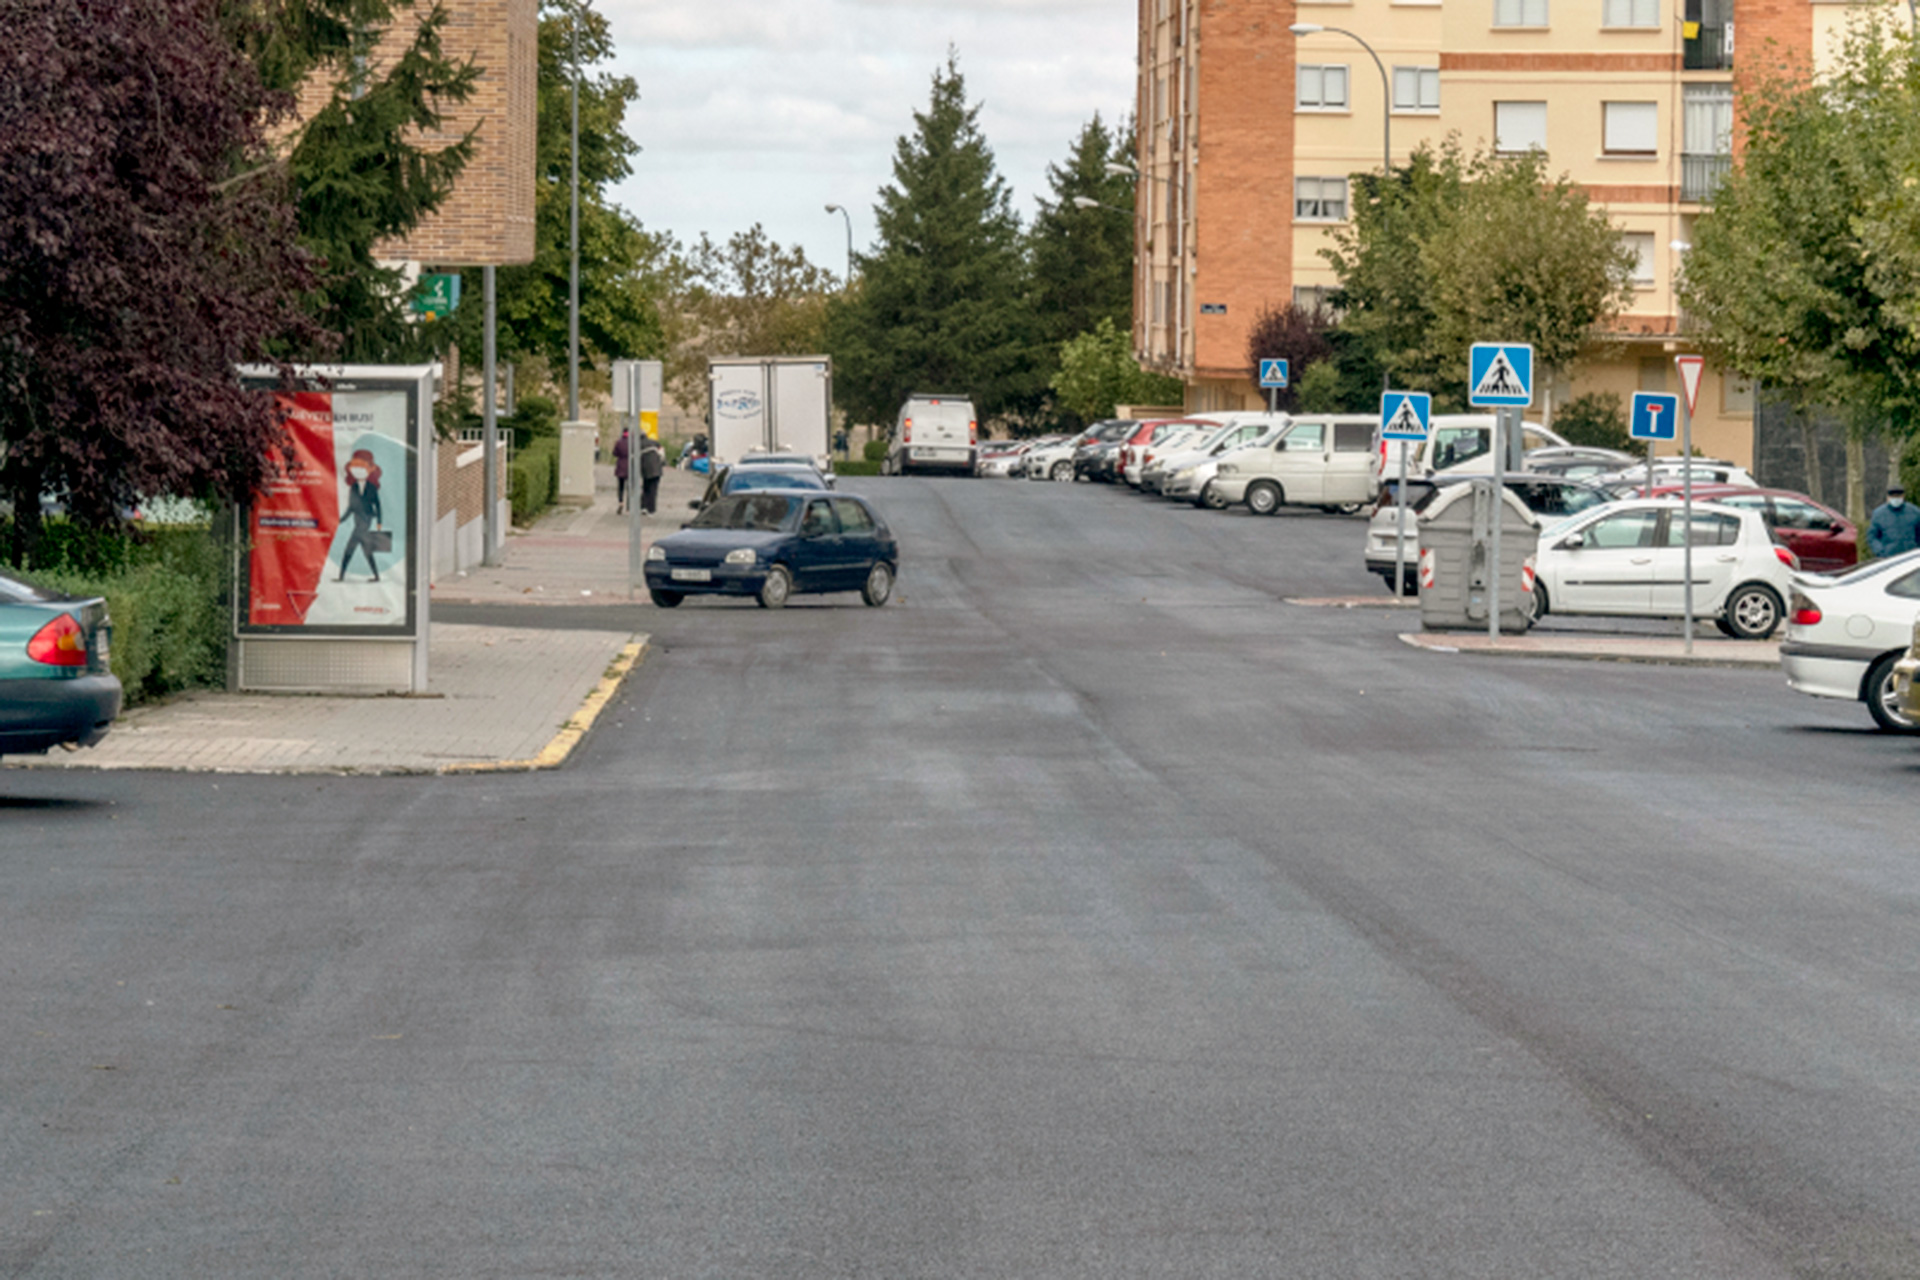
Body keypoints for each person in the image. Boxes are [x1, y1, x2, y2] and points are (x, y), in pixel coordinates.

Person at [337, 449, 383, 582]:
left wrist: (379, 522)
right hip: (358, 521)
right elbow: (351, 507)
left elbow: (378, 505)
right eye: (354, 467)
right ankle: (376, 576)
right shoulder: (354, 487)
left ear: (371, 468)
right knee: (367, 551)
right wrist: (341, 520)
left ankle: (341, 576)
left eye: (361, 467)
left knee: (349, 548)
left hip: (366, 521)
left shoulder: (372, 488)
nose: (357, 470)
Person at [1868, 485, 1920, 558]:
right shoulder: (1878, 514)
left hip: (1910, 557)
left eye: (1898, 496)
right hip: (1888, 558)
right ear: (1888, 497)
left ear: (1903, 496)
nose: (1896, 499)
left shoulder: (1914, 512)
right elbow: (1872, 537)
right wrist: (1880, 551)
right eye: (1893, 496)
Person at [638, 431, 665, 514]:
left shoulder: (638, 445)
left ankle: (643, 506)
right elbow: (662, 454)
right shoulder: (655, 443)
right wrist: (662, 463)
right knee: (653, 489)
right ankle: (651, 508)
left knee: (646, 488)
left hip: (646, 469)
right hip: (657, 469)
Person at [612, 427, 631, 513]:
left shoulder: (619, 442)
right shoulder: (633, 442)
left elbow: (614, 453)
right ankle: (629, 506)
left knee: (621, 486)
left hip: (621, 465)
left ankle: (621, 502)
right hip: (630, 465)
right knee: (630, 486)